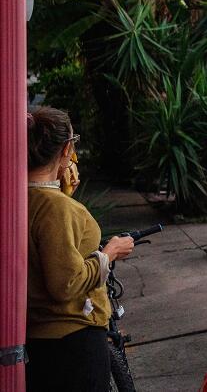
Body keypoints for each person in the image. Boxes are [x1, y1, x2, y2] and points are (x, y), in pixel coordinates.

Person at [26, 106, 136, 392]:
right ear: (66, 149)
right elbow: (66, 283)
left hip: (39, 340)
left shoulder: (23, 200)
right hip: (73, 340)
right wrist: (109, 253)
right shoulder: (56, 207)